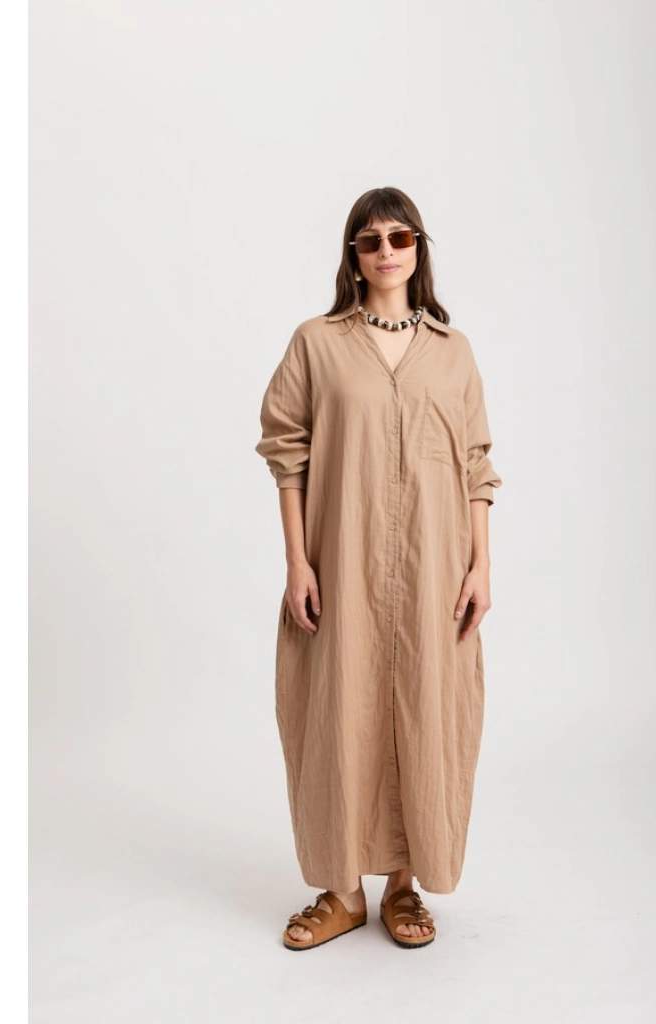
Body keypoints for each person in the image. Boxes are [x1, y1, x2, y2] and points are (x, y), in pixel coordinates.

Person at [254, 186, 503, 950]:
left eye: (400, 237)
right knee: (339, 710)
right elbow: (286, 451)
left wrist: (480, 566)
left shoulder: (452, 351)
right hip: (343, 563)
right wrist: (297, 561)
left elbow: (475, 464)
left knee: (425, 708)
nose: (386, 251)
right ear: (353, 257)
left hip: (435, 570)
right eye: (370, 240)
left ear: (418, 248)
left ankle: (402, 886)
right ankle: (340, 891)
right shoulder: (317, 343)